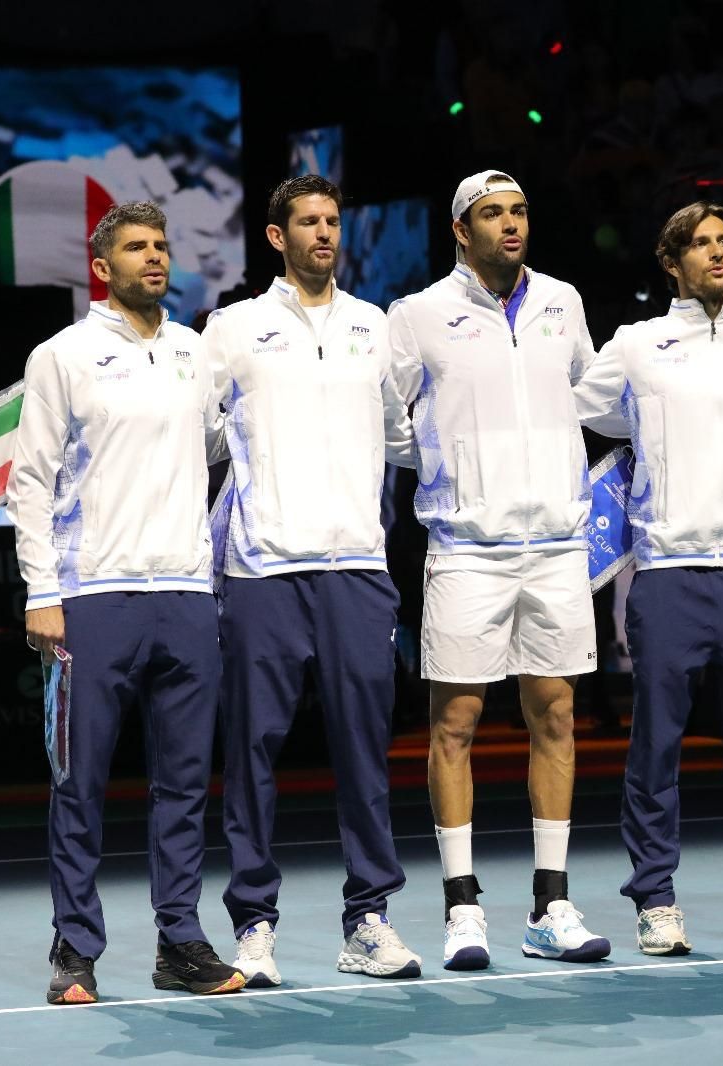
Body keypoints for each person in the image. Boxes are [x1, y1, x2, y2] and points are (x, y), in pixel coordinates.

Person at [9, 201, 243, 1005]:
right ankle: (75, 947)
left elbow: (219, 447)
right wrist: (42, 592)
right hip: (92, 597)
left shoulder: (192, 353)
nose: (154, 258)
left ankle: (180, 940)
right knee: (80, 782)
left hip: (184, 594)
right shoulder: (62, 356)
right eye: (136, 247)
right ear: (101, 266)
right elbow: (30, 480)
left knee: (183, 784)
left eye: (162, 246)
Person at [573, 201, 723, 956]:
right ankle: (655, 898)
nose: (717, 254)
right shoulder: (637, 344)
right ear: (671, 261)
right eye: (700, 244)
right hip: (670, 575)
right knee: (657, 749)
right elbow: (584, 408)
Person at [388, 170, 610, 969]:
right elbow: (388, 415)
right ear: (460, 229)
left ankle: (550, 905)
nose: (510, 224)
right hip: (467, 549)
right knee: (456, 724)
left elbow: (589, 397)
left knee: (554, 714)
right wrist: (447, 468)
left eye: (519, 210)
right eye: (492, 214)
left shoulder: (564, 302)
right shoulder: (418, 315)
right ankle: (461, 909)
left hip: (554, 546)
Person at [204, 174, 423, 984]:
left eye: (332, 221)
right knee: (253, 751)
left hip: (359, 570)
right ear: (276, 237)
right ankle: (254, 924)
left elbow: (404, 435)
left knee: (365, 751)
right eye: (308, 222)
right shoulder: (232, 329)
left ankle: (368, 919)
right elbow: (195, 435)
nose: (324, 234)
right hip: (263, 569)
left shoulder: (374, 327)